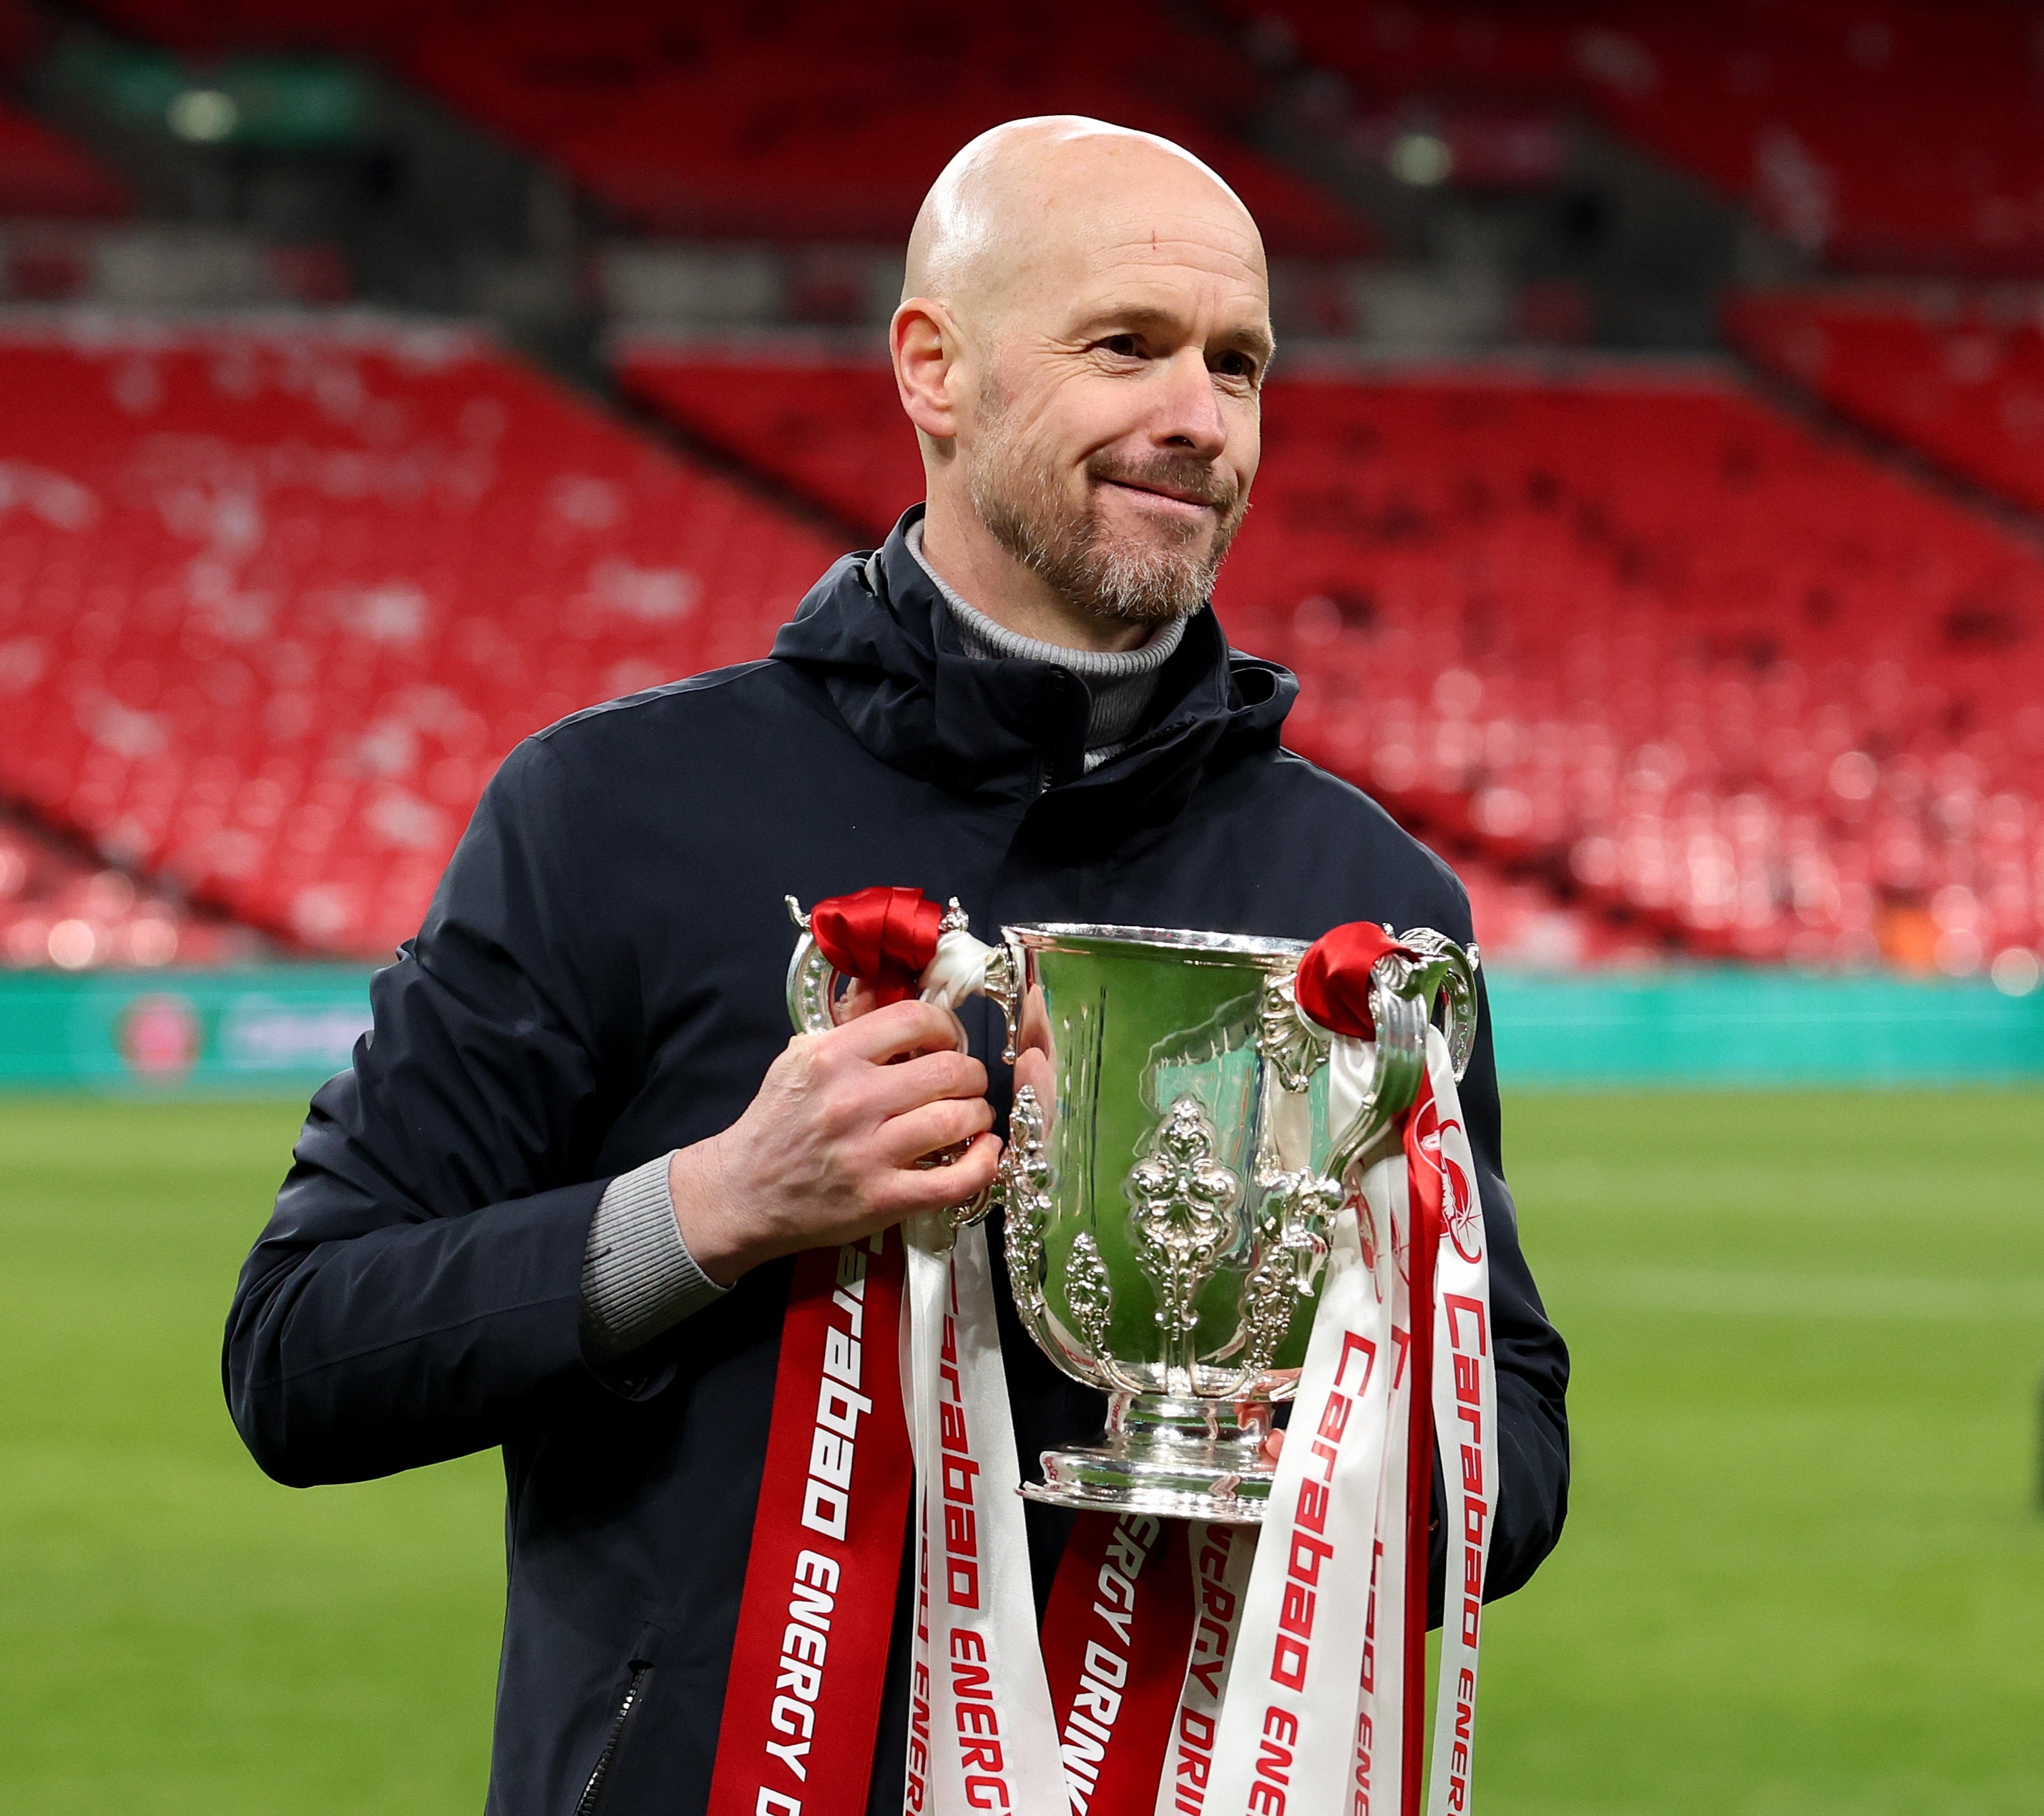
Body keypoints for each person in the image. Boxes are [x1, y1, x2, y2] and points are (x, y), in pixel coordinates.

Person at [224, 116, 1569, 1816]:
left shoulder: (1369, 909)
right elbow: (301, 1355)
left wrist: (1292, 1375)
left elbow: (1514, 1471)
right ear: (934, 369)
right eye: (1126, 347)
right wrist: (711, 1207)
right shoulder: (616, 814)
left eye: (1239, 365)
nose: (1197, 419)